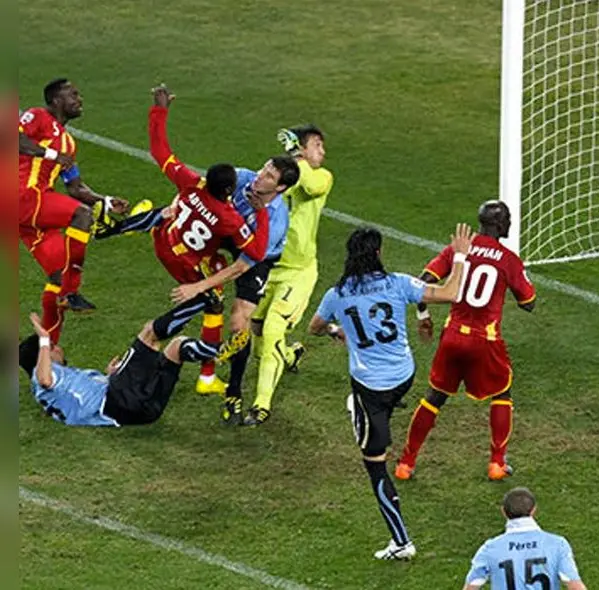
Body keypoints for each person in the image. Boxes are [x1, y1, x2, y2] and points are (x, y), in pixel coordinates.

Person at [307, 224, 472, 561]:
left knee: (375, 465)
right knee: (381, 406)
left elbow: (315, 328)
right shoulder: (399, 283)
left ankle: (401, 542)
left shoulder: (336, 295)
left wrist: (337, 330)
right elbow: (451, 292)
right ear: (378, 253)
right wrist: (459, 257)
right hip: (404, 376)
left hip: (371, 388)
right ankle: (373, 413)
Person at [95, 85, 274, 364]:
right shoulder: (230, 219)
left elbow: (159, 150)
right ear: (229, 190)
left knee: (167, 212)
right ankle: (195, 348)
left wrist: (159, 109)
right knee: (210, 298)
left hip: (164, 240)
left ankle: (110, 228)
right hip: (185, 264)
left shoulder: (192, 183)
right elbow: (257, 252)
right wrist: (261, 213)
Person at [395, 200, 535, 482]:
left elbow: (422, 281)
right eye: (507, 219)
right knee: (502, 394)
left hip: (452, 337)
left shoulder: (458, 250)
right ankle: (497, 464)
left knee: (434, 397)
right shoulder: (508, 259)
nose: (510, 224)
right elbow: (528, 303)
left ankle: (405, 464)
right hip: (485, 340)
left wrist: (423, 315)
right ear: (500, 224)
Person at [18, 78, 130, 342]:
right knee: (82, 215)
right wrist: (51, 155)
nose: (80, 100)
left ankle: (48, 351)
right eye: (73, 95)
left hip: (30, 216)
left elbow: (76, 187)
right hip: (20, 195)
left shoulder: (68, 144)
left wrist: (106, 200)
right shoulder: (38, 116)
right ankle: (72, 291)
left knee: (59, 277)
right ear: (56, 100)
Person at [241, 124, 334, 425]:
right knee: (256, 330)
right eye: (317, 145)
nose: (323, 152)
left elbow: (310, 186)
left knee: (272, 331)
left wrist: (296, 158)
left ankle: (261, 405)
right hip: (269, 267)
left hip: (298, 273)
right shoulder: (278, 179)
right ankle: (291, 356)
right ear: (303, 147)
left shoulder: (321, 176)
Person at [19, 311, 221, 427]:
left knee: (176, 347)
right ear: (43, 356)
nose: (58, 349)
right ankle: (200, 301)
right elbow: (45, 379)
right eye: (53, 347)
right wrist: (44, 339)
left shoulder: (65, 381)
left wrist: (110, 375)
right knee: (149, 332)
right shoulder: (42, 377)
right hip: (117, 402)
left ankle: (221, 350)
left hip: (144, 413)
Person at [463, 487, 587, 590]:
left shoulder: (490, 548)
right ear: (533, 510)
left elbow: (471, 586)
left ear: (503, 512)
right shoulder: (557, 544)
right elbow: (575, 586)